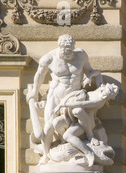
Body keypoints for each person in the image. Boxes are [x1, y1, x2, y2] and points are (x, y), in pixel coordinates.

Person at [26, 34, 102, 164]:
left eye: (71, 50)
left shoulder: (81, 55)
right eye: (66, 51)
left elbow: (89, 70)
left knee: (77, 115)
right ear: (59, 47)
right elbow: (39, 75)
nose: (69, 53)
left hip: (74, 96)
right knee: (49, 126)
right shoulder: (49, 59)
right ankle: (46, 154)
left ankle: (84, 140)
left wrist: (91, 76)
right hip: (56, 96)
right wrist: (34, 92)